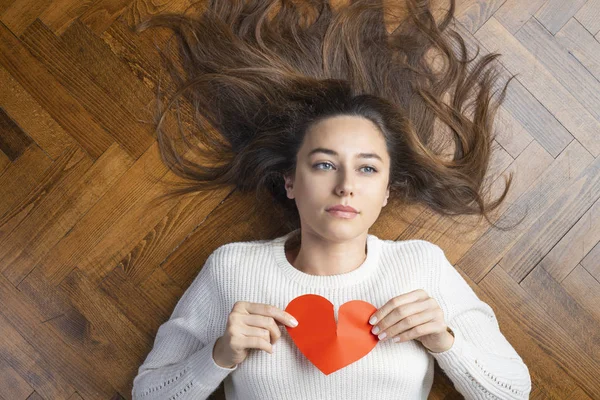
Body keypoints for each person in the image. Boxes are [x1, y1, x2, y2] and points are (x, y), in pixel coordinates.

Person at [131, 0, 531, 398]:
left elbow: (513, 392)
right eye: (324, 165)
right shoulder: (232, 269)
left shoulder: (421, 265)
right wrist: (219, 354)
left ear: (388, 190)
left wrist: (445, 341)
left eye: (368, 169)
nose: (345, 185)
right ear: (290, 180)